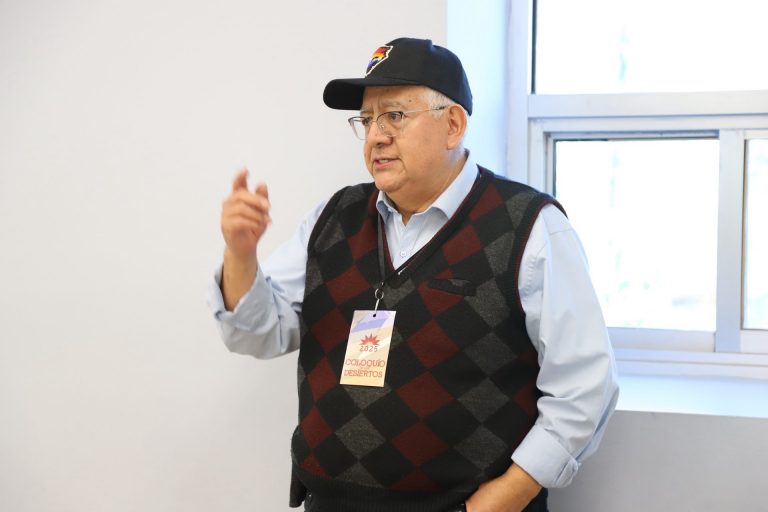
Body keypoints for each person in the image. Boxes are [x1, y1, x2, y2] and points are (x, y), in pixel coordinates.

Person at [208, 37, 619, 512]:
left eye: (395, 116)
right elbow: (257, 334)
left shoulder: (529, 227)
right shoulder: (334, 218)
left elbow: (585, 386)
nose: (376, 136)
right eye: (367, 120)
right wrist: (241, 256)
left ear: (453, 125)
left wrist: (508, 495)